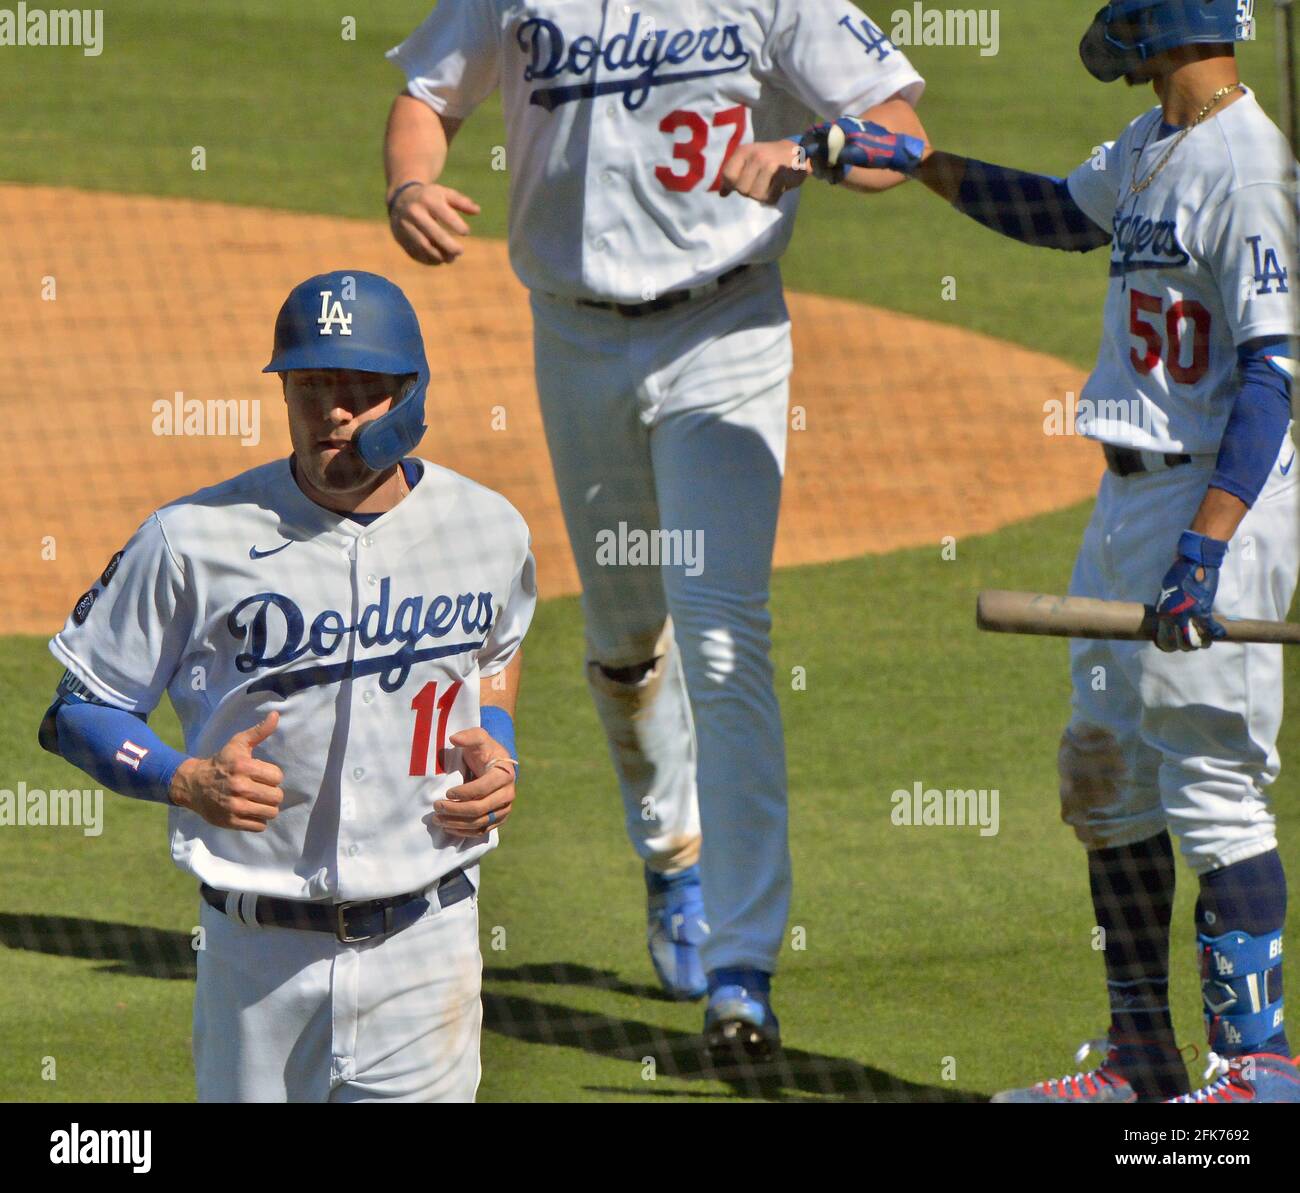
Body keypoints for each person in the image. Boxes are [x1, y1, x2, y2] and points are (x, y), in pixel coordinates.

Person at [730, 0, 1299, 1101]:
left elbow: (1276, 377)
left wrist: (1207, 547)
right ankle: (1141, 1060)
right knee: (1108, 778)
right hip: (1131, 493)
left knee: (1214, 778)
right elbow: (1054, 215)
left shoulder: (1249, 169)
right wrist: (927, 162)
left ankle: (1260, 1071)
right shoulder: (1150, 144)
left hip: (1221, 497)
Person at [382, 0, 926, 1060]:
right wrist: (408, 183)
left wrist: (808, 148)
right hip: (575, 337)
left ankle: (742, 960)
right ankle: (672, 852)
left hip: (724, 327)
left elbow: (899, 131)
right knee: (626, 637)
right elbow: (424, 95)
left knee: (724, 635)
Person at [39, 270, 537, 1102]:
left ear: (410, 396)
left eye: (357, 388)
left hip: (428, 948)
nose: (332, 410)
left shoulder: (489, 529)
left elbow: (496, 649)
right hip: (256, 965)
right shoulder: (191, 540)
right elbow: (76, 710)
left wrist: (500, 743)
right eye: (309, 385)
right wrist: (185, 778)